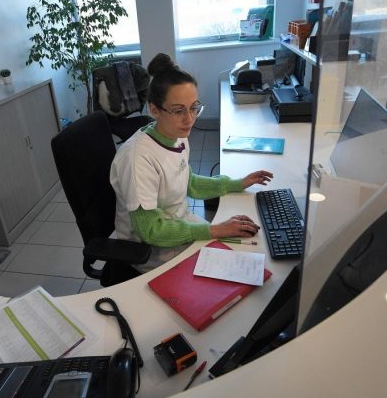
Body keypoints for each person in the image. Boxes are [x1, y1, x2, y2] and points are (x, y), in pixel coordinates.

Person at [110, 53, 273, 272]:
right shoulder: (138, 158)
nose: (189, 118)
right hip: (154, 249)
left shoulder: (177, 136)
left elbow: (190, 182)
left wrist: (236, 184)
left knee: (251, 248)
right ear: (154, 110)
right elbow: (150, 231)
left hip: (180, 226)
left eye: (194, 107)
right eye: (178, 110)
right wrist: (214, 230)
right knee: (237, 267)